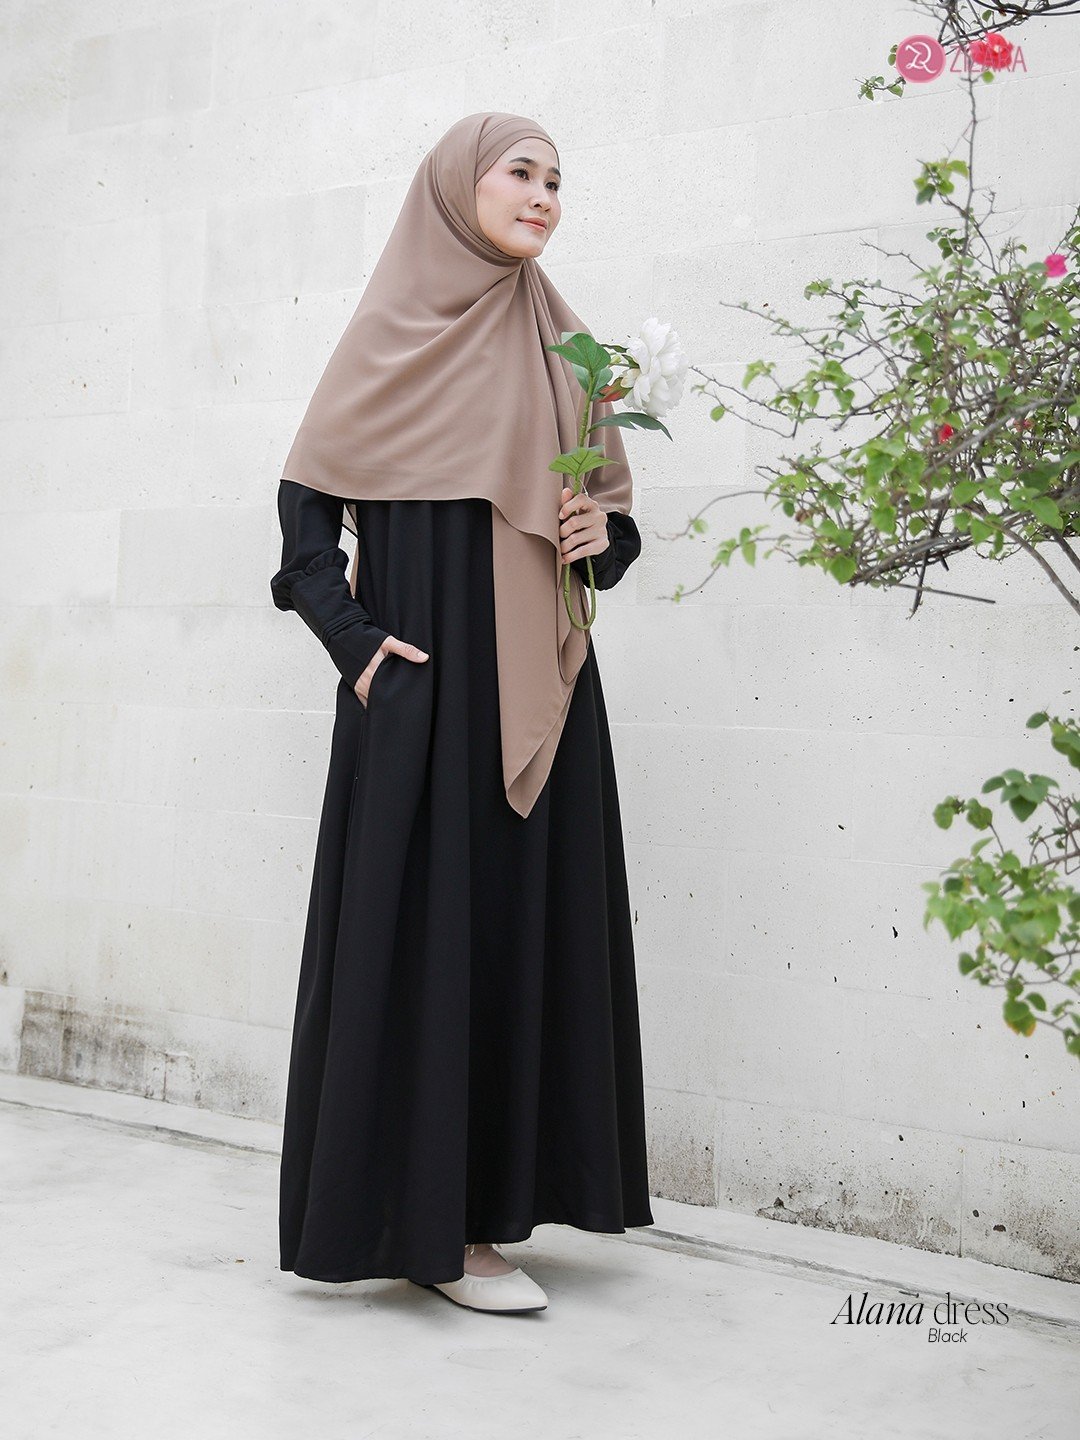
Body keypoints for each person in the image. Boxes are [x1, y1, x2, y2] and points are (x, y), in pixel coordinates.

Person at [270, 111, 653, 1314]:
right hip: (424, 690)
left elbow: (610, 537)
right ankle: (432, 1235)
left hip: (543, 689)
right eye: (520, 173)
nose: (543, 196)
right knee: (421, 939)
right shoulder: (387, 336)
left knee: (515, 930)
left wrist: (600, 535)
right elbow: (302, 524)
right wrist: (359, 652)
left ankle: (493, 1210)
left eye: (557, 180)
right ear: (456, 188)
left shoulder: (569, 349)